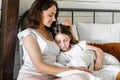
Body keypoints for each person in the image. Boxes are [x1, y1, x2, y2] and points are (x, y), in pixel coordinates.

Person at [17, 0, 91, 80]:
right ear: (39, 13)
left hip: (51, 76)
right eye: (50, 15)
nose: (54, 19)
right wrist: (74, 70)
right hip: (32, 75)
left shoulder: (52, 32)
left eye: (55, 15)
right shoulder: (29, 35)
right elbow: (40, 67)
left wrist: (70, 29)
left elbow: (71, 43)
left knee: (80, 77)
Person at [51, 23, 120, 80]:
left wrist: (99, 61)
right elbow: (66, 69)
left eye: (65, 40)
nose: (63, 44)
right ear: (54, 41)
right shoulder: (60, 56)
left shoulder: (78, 45)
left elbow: (98, 50)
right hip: (88, 70)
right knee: (105, 73)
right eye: (58, 42)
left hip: (99, 61)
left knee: (86, 53)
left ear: (70, 37)